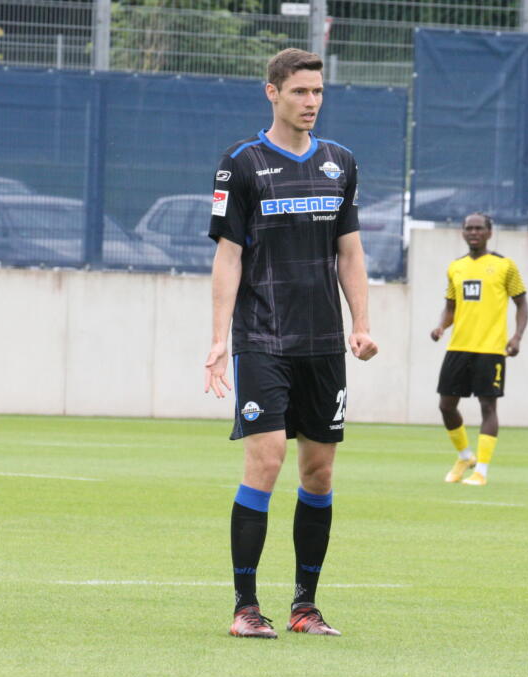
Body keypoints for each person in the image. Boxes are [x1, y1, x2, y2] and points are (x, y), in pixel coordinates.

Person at [203, 48, 378, 638]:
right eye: (300, 92)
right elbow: (228, 257)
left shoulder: (340, 163)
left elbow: (349, 251)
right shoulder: (241, 164)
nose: (311, 103)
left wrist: (361, 323)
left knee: (320, 472)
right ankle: (245, 607)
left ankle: (305, 606)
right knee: (267, 457)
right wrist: (220, 339)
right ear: (272, 93)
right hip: (262, 337)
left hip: (324, 342)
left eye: (318, 93)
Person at [429, 213, 528, 486]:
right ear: (462, 232)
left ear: (489, 232)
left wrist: (517, 336)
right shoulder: (455, 268)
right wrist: (441, 327)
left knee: (488, 406)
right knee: (446, 406)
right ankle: (465, 456)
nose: (473, 232)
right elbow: (451, 306)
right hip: (458, 347)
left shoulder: (505, 266)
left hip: (491, 349)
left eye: (479, 228)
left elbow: (522, 304)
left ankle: (481, 471)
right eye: (468, 228)